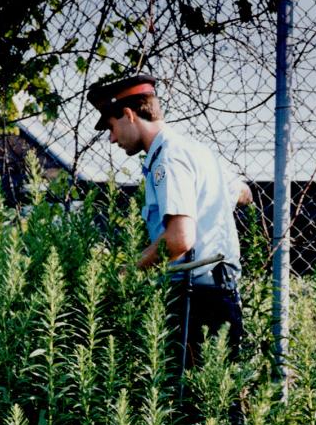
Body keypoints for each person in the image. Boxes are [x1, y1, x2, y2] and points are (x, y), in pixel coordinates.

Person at [87, 71, 249, 366]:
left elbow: (179, 239)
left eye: (111, 127)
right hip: (220, 293)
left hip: (198, 302)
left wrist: (127, 272)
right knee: (222, 405)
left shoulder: (169, 158)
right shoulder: (195, 150)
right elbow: (243, 192)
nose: (111, 139)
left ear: (128, 114)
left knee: (194, 406)